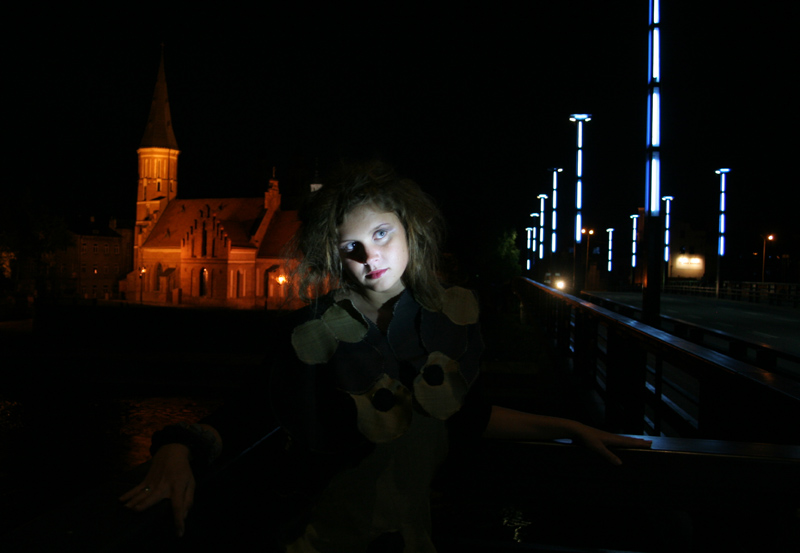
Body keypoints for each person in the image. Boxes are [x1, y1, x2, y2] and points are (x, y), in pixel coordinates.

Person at [120, 161, 651, 551]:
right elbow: (248, 413)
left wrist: (568, 426)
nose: (369, 256)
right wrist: (178, 446)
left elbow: (468, 415)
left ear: (410, 233)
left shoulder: (435, 326)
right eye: (350, 246)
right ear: (334, 256)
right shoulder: (313, 333)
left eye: (381, 234)